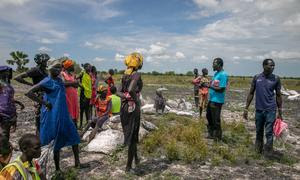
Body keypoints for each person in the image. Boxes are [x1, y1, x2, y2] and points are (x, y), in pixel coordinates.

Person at [25, 61, 86, 172]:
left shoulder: (58, 80)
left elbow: (64, 87)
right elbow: (29, 93)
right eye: (56, 68)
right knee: (56, 140)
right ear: (49, 68)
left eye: (59, 68)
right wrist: (44, 102)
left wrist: (73, 84)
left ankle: (77, 163)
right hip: (53, 114)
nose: (58, 70)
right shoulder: (47, 81)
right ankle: (57, 169)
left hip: (63, 113)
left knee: (74, 136)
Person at [243, 59, 283, 159]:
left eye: (274, 66)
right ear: (264, 66)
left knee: (269, 132)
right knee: (259, 131)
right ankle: (258, 151)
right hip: (259, 110)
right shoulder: (257, 78)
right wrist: (246, 108)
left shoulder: (276, 79)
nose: (272, 67)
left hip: (271, 110)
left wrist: (280, 111)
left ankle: (268, 152)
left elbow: (278, 95)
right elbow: (251, 93)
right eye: (270, 65)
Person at [118, 52, 143, 173]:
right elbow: (131, 89)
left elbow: (118, 92)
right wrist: (136, 100)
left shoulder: (124, 75)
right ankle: (128, 168)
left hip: (123, 108)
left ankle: (136, 158)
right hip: (132, 109)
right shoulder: (136, 74)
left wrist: (126, 97)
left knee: (130, 133)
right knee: (133, 136)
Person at [14, 53, 50, 135]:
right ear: (41, 61)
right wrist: (31, 85)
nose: (46, 62)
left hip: (45, 96)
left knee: (45, 119)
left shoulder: (44, 71)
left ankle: (43, 138)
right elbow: (17, 77)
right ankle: (38, 140)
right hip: (39, 97)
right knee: (40, 119)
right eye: (45, 61)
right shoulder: (35, 70)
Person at [206, 58, 228, 140]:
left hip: (217, 100)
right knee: (209, 116)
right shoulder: (216, 74)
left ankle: (218, 137)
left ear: (219, 64)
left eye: (214, 63)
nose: (212, 65)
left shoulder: (223, 75)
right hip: (212, 99)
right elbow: (213, 85)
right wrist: (205, 84)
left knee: (216, 119)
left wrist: (209, 86)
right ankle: (211, 134)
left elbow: (222, 89)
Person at [0, 66, 24, 140]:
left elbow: (7, 97)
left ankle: (5, 149)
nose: (7, 74)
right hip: (2, 113)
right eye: (5, 72)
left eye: (7, 72)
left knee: (6, 135)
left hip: (11, 112)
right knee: (4, 134)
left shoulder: (8, 84)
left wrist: (18, 103)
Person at [61, 59, 80, 129]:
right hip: (68, 97)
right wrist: (73, 83)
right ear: (68, 67)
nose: (73, 67)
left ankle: (75, 130)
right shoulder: (63, 74)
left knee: (74, 113)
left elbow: (76, 85)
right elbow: (62, 83)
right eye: (72, 66)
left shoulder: (72, 75)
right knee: (69, 113)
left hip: (74, 98)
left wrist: (75, 84)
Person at [78, 63, 92, 129]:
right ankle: (80, 124)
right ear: (85, 67)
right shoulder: (82, 73)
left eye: (90, 67)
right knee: (82, 110)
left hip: (88, 95)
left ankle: (87, 124)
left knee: (87, 110)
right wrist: (81, 86)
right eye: (89, 67)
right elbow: (76, 79)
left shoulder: (89, 74)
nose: (90, 68)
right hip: (83, 94)